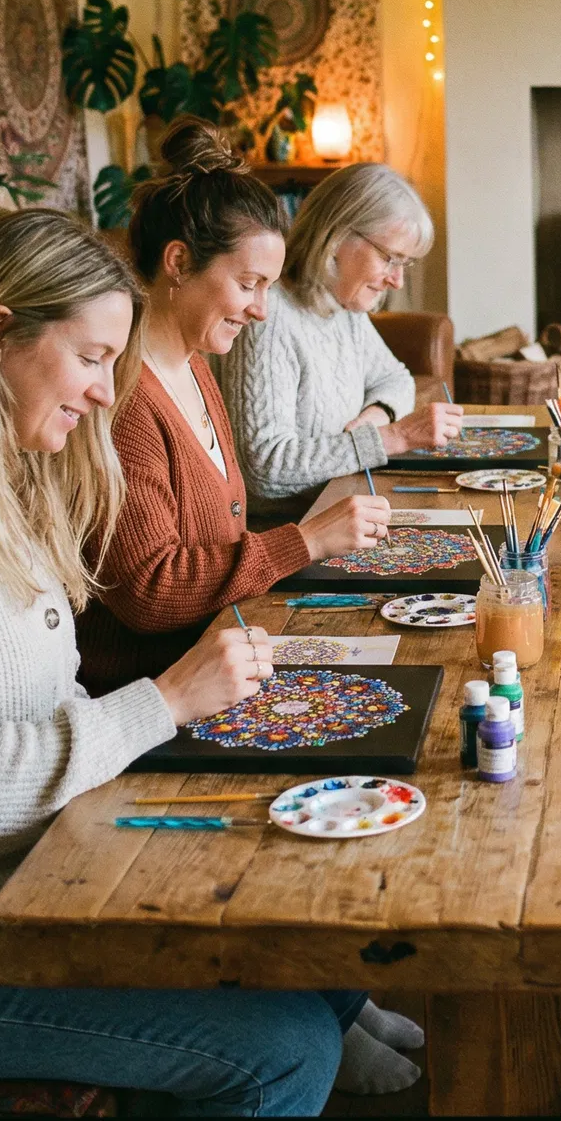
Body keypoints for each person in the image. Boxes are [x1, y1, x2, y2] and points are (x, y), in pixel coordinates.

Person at [0, 209, 411, 1115]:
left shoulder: (1, 472)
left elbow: (48, 689)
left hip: (15, 864)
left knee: (277, 864)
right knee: (284, 1052)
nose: (110, 394)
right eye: (94, 359)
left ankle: (325, 1010)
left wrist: (169, 731)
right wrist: (166, 702)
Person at [76, 118, 391, 698]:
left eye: (268, 286)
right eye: (248, 284)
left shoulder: (195, 365)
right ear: (178, 262)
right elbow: (150, 589)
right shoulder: (124, 399)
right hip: (149, 694)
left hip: (220, 657)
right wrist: (306, 541)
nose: (262, 309)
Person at [221, 160, 464, 519]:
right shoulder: (270, 317)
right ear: (336, 236)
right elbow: (265, 468)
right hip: (293, 529)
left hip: (345, 506)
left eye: (404, 263)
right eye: (390, 259)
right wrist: (393, 437)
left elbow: (395, 378)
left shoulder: (342, 306)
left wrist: (375, 417)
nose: (397, 280)